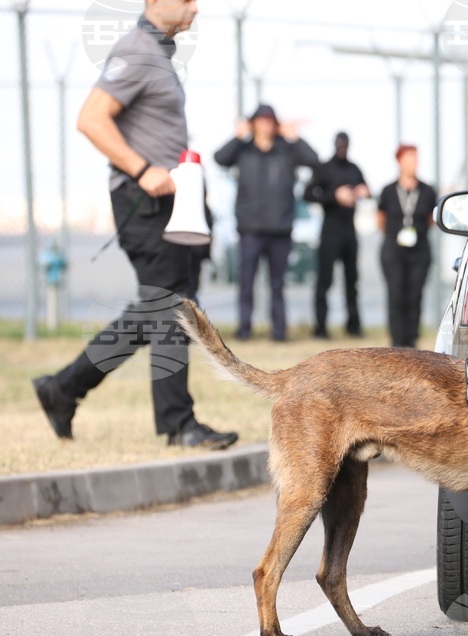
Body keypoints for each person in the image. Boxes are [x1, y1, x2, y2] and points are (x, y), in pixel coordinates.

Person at [32, 0, 238, 450]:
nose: (195, 8)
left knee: (159, 310)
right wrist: (143, 169)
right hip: (145, 203)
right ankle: (179, 424)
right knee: (173, 306)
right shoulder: (136, 50)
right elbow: (90, 118)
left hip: (169, 203)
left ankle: (63, 389)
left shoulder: (157, 53)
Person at [214, 104, 319, 341]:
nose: (266, 125)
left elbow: (313, 160)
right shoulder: (243, 150)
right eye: (261, 121)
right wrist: (237, 136)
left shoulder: (286, 150)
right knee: (246, 283)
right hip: (250, 228)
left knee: (277, 285)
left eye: (270, 121)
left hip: (280, 228)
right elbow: (220, 158)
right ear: (253, 124)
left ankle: (279, 332)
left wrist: (295, 137)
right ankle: (244, 329)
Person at [304, 131, 370, 338]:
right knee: (325, 280)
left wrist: (362, 192)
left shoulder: (354, 168)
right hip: (330, 229)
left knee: (352, 281)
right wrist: (334, 196)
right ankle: (321, 327)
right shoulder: (325, 169)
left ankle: (353, 326)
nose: (342, 148)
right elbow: (308, 194)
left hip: (349, 230)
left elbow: (367, 191)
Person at [377, 145, 437, 348]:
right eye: (410, 158)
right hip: (393, 252)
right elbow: (381, 219)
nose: (414, 162)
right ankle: (397, 342)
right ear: (399, 161)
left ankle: (411, 342)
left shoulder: (427, 191)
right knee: (396, 295)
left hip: (419, 251)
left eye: (416, 158)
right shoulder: (388, 191)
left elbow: (431, 219)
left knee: (414, 295)